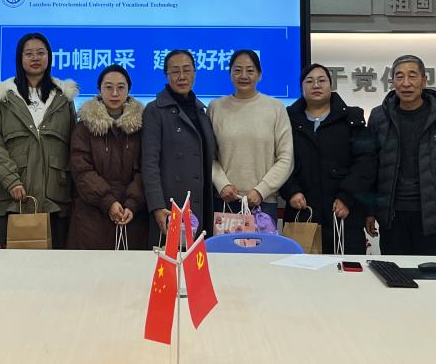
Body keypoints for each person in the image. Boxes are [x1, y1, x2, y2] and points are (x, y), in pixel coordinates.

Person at [365, 55, 436, 256]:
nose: (406, 83)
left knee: (431, 273)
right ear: (392, 82)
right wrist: (369, 211)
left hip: (432, 218)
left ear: (424, 80)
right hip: (392, 217)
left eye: (412, 76)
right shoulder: (379, 117)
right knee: (394, 272)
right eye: (399, 77)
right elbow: (370, 168)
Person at [0, 33, 78, 248]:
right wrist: (11, 180)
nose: (35, 58)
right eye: (29, 54)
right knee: (8, 264)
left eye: (41, 53)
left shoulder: (63, 97)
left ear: (49, 57)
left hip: (54, 197)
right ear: (20, 58)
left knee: (55, 262)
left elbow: (74, 145)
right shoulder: (2, 96)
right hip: (12, 198)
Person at [280, 63, 376, 254]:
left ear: (331, 85)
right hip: (302, 213)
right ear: (301, 87)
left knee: (347, 270)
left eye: (321, 80)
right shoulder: (287, 119)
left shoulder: (351, 117)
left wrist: (346, 197)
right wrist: (291, 191)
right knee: (300, 269)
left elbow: (366, 162)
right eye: (309, 81)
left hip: (344, 213)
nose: (316, 85)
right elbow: (278, 159)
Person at [141, 50, 216, 246]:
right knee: (171, 261)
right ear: (166, 75)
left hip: (201, 203)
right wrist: (157, 206)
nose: (182, 76)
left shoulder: (201, 110)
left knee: (198, 260)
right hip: (170, 205)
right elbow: (149, 163)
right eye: (175, 71)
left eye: (187, 70)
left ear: (195, 73)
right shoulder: (155, 110)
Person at [68, 65, 147, 250]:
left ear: (128, 90)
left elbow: (146, 169)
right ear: (99, 90)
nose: (115, 93)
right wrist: (108, 202)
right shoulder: (84, 128)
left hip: (132, 216)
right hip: (91, 218)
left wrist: (132, 203)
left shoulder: (142, 127)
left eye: (121, 87)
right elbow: (81, 170)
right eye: (108, 87)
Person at [209, 50, 293, 223]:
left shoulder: (276, 108)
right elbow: (208, 156)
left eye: (250, 70)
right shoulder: (216, 107)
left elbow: (286, 158)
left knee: (261, 243)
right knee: (223, 243)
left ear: (259, 75)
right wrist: (222, 183)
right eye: (237, 70)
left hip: (263, 203)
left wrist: (261, 190)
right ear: (230, 74)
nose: (244, 76)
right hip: (225, 201)